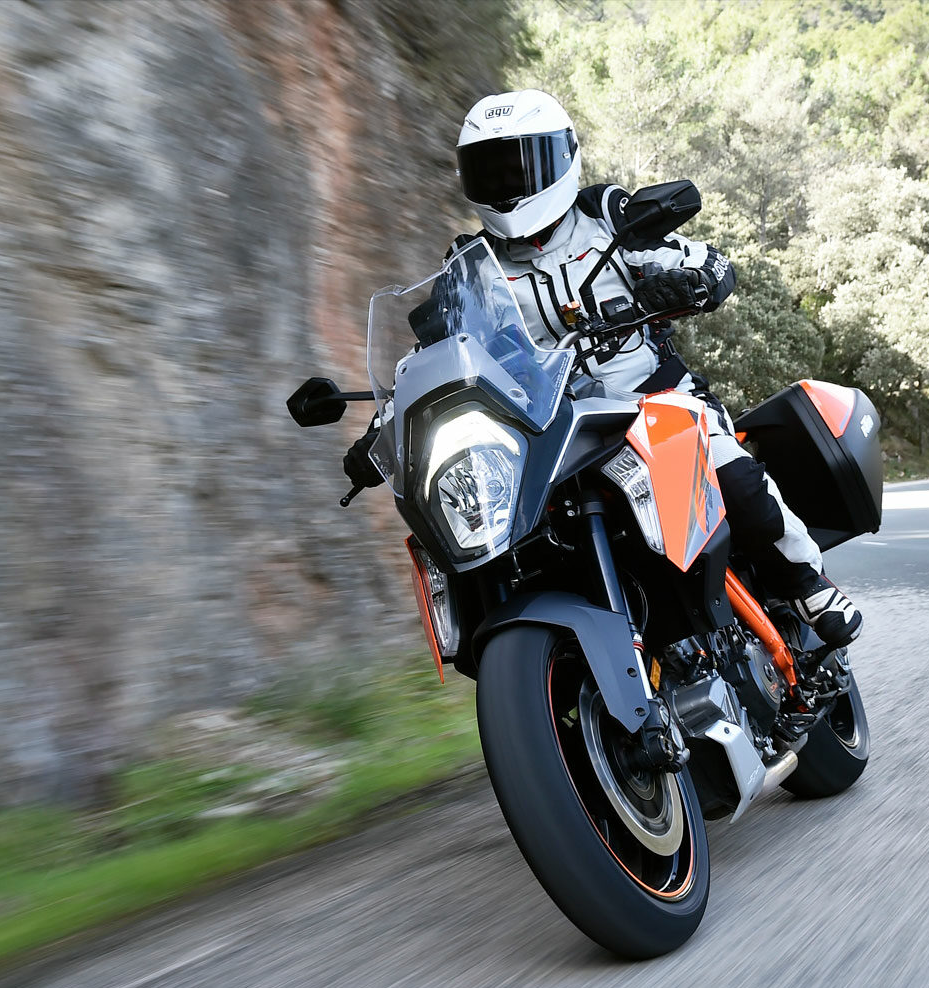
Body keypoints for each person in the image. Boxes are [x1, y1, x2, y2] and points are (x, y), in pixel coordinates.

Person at [351, 89, 861, 649]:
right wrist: (384, 428)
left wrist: (692, 281)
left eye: (521, 167)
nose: (507, 185)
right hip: (548, 428)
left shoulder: (607, 218)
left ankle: (808, 584)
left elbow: (704, 261)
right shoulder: (469, 267)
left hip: (649, 401)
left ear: (563, 158)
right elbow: (434, 354)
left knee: (728, 470)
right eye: (489, 172)